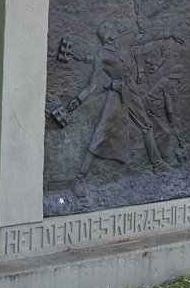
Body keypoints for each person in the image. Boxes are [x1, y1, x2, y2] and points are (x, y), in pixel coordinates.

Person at [66, 21, 183, 197]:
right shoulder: (101, 55)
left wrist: (169, 32)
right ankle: (80, 179)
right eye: (109, 34)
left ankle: (157, 165)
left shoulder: (126, 40)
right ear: (106, 36)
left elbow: (146, 36)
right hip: (116, 96)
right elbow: (93, 85)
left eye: (112, 32)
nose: (112, 36)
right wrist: (78, 98)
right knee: (101, 134)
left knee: (146, 127)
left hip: (132, 91)